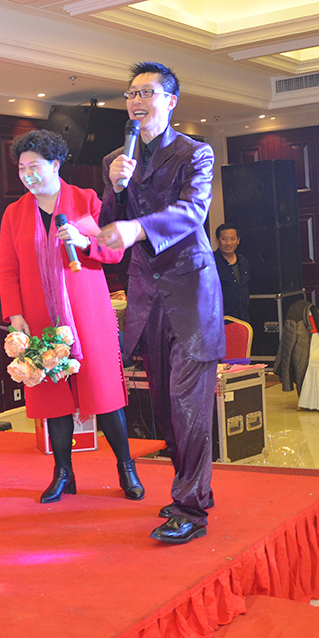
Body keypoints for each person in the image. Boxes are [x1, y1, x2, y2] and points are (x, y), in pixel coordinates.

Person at [97, 61, 224, 545]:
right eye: (131, 93)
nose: (136, 101)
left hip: (191, 293)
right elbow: (107, 223)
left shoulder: (195, 152)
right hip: (146, 296)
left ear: (170, 101)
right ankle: (193, 490)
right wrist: (115, 188)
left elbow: (193, 213)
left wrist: (138, 227)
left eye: (146, 92)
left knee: (189, 406)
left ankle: (190, 509)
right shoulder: (118, 159)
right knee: (167, 409)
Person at [0, 129, 144, 503]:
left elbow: (114, 251)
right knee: (54, 396)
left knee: (103, 391)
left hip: (88, 314)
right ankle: (63, 473)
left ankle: (126, 468)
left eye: (35, 166)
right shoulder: (14, 213)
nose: (28, 175)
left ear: (56, 164)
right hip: (39, 316)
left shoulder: (86, 200)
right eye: (22, 168)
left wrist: (84, 242)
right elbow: (8, 269)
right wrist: (15, 314)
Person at [213, 223, 250, 322]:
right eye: (224, 239)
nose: (228, 243)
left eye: (232, 239)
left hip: (243, 319)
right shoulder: (211, 263)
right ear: (217, 240)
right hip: (220, 322)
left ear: (238, 240)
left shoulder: (243, 261)